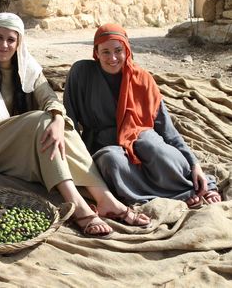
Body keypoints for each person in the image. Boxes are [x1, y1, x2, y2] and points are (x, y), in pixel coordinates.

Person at [0, 12, 150, 237]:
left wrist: (59, 120)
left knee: (55, 123)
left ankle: (105, 199)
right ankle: (78, 206)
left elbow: (50, 99)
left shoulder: (28, 68)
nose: (4, 45)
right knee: (42, 120)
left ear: (19, 42)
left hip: (18, 144)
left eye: (11, 39)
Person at [63, 23, 221, 209]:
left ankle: (194, 187)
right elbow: (69, 120)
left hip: (142, 139)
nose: (112, 58)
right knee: (111, 161)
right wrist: (70, 158)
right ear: (96, 52)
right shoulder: (82, 73)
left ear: (127, 50)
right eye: (105, 52)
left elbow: (167, 129)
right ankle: (172, 195)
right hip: (105, 144)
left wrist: (195, 164)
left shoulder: (143, 80)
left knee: (151, 145)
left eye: (118, 50)